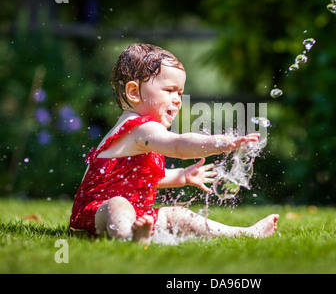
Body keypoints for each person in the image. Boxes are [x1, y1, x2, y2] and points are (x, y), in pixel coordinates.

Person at [69, 43, 279, 244]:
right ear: (134, 92)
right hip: (95, 212)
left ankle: (244, 233)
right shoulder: (141, 128)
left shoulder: (137, 132)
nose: (178, 99)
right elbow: (178, 144)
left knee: (177, 214)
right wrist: (222, 142)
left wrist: (182, 176)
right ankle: (128, 237)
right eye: (169, 90)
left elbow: (137, 179)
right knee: (118, 204)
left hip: (137, 215)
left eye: (180, 92)